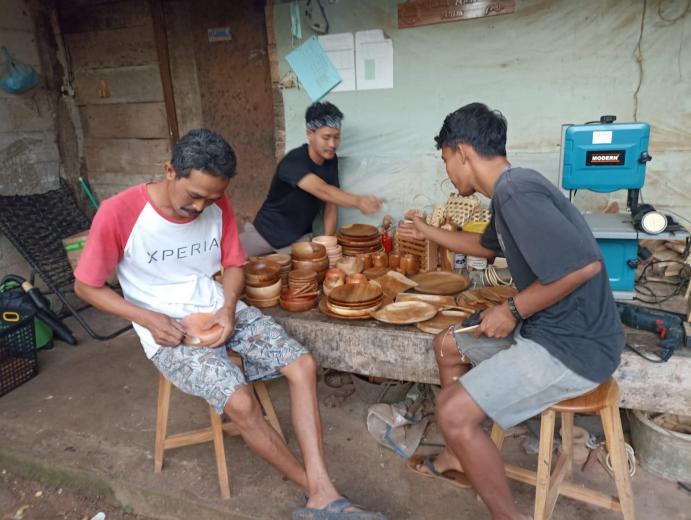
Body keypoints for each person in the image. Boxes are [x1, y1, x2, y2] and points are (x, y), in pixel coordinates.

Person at [74, 128, 386, 520]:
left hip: (219, 309)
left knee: (303, 365)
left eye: (212, 198)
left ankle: (323, 487)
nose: (201, 207)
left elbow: (234, 264)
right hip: (167, 329)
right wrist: (147, 317)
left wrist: (227, 308)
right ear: (170, 171)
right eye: (194, 196)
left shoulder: (217, 204)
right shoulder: (119, 212)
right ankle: (317, 494)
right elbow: (85, 286)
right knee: (240, 402)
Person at [398, 103, 624, 520]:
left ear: (462, 152)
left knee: (452, 412)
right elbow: (486, 248)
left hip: (575, 347)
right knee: (447, 345)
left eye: (445, 160)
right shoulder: (508, 193)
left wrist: (513, 309)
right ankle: (458, 453)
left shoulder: (516, 192)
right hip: (547, 328)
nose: (448, 171)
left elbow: (584, 267)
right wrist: (427, 231)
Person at [240, 101, 382, 256]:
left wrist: (329, 241)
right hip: (264, 234)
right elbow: (323, 190)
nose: (332, 144)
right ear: (310, 134)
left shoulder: (331, 160)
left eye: (336, 137)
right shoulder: (293, 161)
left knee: (318, 266)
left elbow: (331, 202)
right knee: (228, 260)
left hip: (299, 238)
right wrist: (358, 201)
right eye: (326, 137)